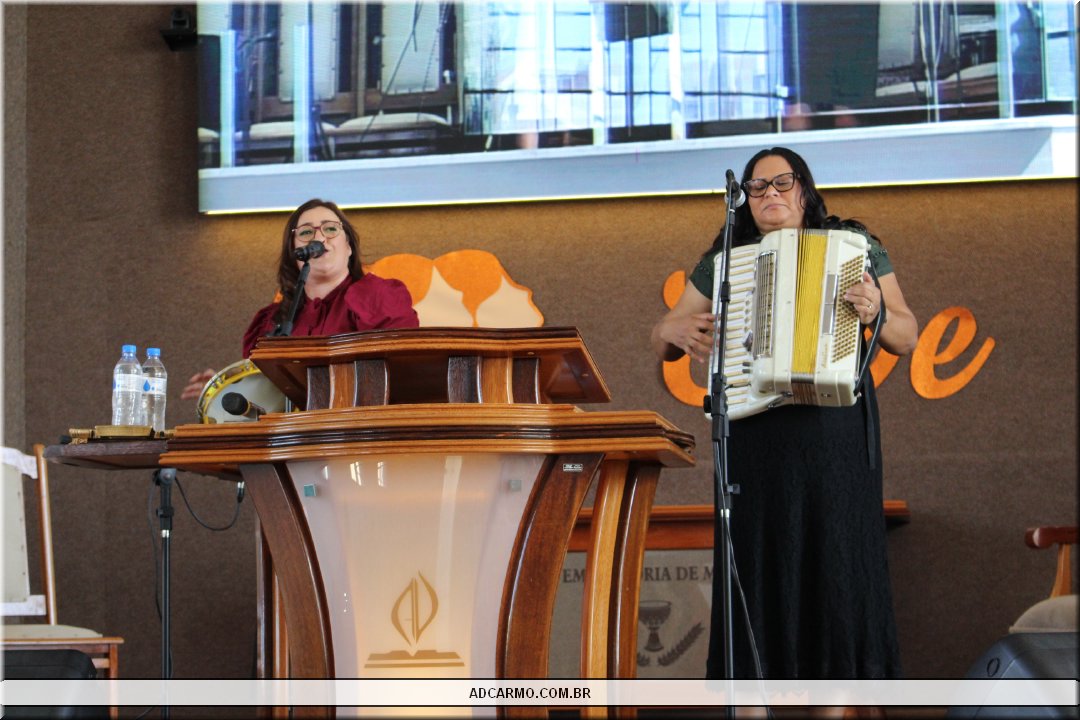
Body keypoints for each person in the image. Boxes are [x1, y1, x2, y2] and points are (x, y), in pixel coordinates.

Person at [651, 147, 918, 681]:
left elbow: (906, 336)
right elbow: (663, 338)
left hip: (834, 436)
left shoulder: (854, 244)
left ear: (804, 190)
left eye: (782, 182)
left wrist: (877, 311)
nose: (769, 193)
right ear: (744, 199)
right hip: (756, 439)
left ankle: (835, 702)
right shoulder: (727, 258)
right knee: (758, 567)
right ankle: (754, 698)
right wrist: (670, 330)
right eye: (757, 186)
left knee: (837, 567)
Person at [180, 198, 419, 401]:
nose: (319, 238)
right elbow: (266, 399)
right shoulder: (273, 321)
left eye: (330, 229)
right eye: (306, 232)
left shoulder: (379, 295)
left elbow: (400, 371)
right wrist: (225, 390)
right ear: (294, 254)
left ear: (348, 247)